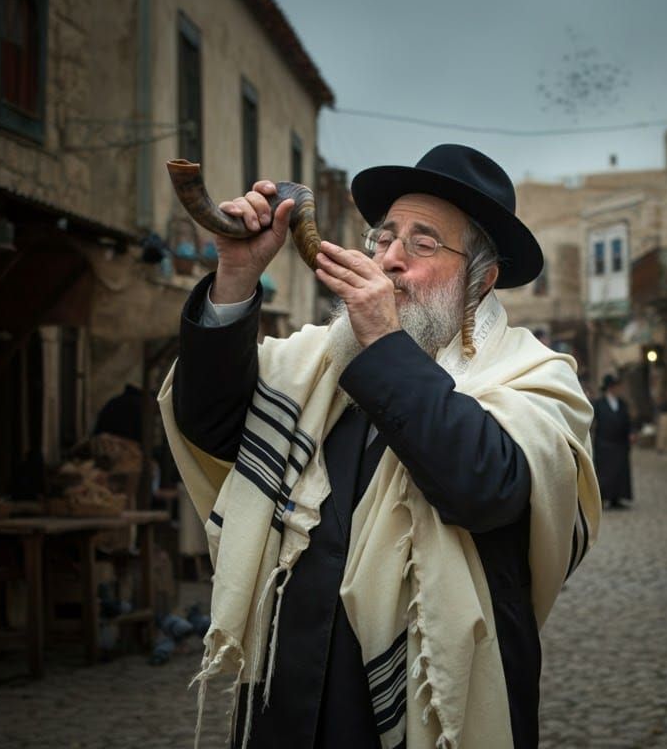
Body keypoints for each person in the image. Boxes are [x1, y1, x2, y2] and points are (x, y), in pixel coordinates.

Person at [159, 144, 600, 748]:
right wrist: (236, 276)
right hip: (289, 702)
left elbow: (484, 487)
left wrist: (384, 340)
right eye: (383, 237)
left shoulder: (534, 376)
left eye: (422, 243)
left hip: (425, 706)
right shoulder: (317, 362)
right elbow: (209, 422)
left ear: (481, 279)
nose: (390, 259)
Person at [591, 372, 634, 510]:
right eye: (616, 386)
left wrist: (631, 433)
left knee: (620, 472)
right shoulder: (599, 404)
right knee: (605, 473)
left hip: (620, 443)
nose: (618, 389)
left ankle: (617, 498)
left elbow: (628, 421)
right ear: (610, 388)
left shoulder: (622, 403)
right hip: (605, 443)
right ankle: (604, 498)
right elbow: (592, 421)